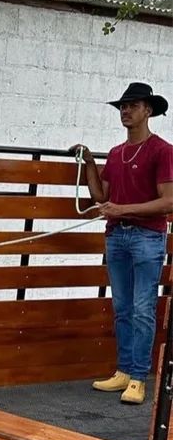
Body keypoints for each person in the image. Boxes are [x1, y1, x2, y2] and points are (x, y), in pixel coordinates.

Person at [73, 81, 173, 406]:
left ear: (148, 110)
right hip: (117, 236)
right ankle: (124, 371)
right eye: (122, 106)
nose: (125, 110)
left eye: (132, 105)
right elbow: (101, 197)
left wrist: (122, 209)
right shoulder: (116, 154)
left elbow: (168, 202)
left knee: (143, 308)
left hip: (147, 236)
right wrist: (89, 163)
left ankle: (139, 378)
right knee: (122, 308)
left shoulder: (162, 150)